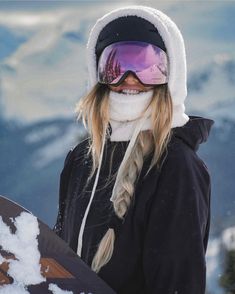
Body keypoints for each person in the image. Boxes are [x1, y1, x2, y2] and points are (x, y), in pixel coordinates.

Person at [53, 5, 214, 294]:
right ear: (97, 74)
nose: (129, 78)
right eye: (115, 64)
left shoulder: (175, 166)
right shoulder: (81, 159)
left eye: (148, 67)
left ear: (171, 75)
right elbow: (62, 256)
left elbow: (178, 285)